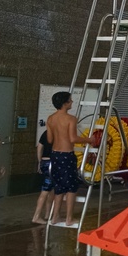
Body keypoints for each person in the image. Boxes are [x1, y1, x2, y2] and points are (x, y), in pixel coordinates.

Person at [46, 91, 95, 226]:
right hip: (67, 155)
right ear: (65, 103)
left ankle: (55, 217)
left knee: (59, 187)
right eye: (70, 100)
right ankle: (68, 218)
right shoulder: (71, 119)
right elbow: (73, 138)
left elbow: (50, 139)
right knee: (72, 188)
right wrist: (89, 139)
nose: (72, 102)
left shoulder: (50, 118)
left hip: (55, 155)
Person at [31, 129, 53, 224]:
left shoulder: (46, 132)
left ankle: (48, 214)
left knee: (50, 190)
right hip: (53, 163)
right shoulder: (61, 132)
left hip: (44, 162)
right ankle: (36, 216)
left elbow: (39, 147)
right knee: (45, 191)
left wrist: (40, 161)